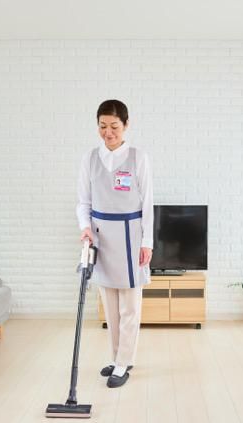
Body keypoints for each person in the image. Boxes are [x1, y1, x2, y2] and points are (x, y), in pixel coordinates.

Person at [76, 99, 153, 388]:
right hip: (101, 236)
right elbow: (83, 202)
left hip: (131, 235)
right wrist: (85, 228)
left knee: (129, 305)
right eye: (102, 126)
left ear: (126, 125)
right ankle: (118, 357)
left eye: (114, 126)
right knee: (110, 304)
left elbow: (148, 203)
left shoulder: (138, 157)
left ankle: (124, 361)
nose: (108, 132)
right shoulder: (90, 158)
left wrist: (147, 241)